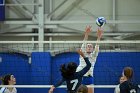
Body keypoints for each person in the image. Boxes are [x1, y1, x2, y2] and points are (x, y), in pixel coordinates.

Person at [76, 26, 103, 93]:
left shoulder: (93, 56)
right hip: (81, 77)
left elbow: (97, 46)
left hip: (89, 78)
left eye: (91, 47)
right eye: (88, 46)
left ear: (92, 49)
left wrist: (99, 37)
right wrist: (86, 33)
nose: (89, 47)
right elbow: (84, 42)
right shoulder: (82, 54)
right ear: (85, 48)